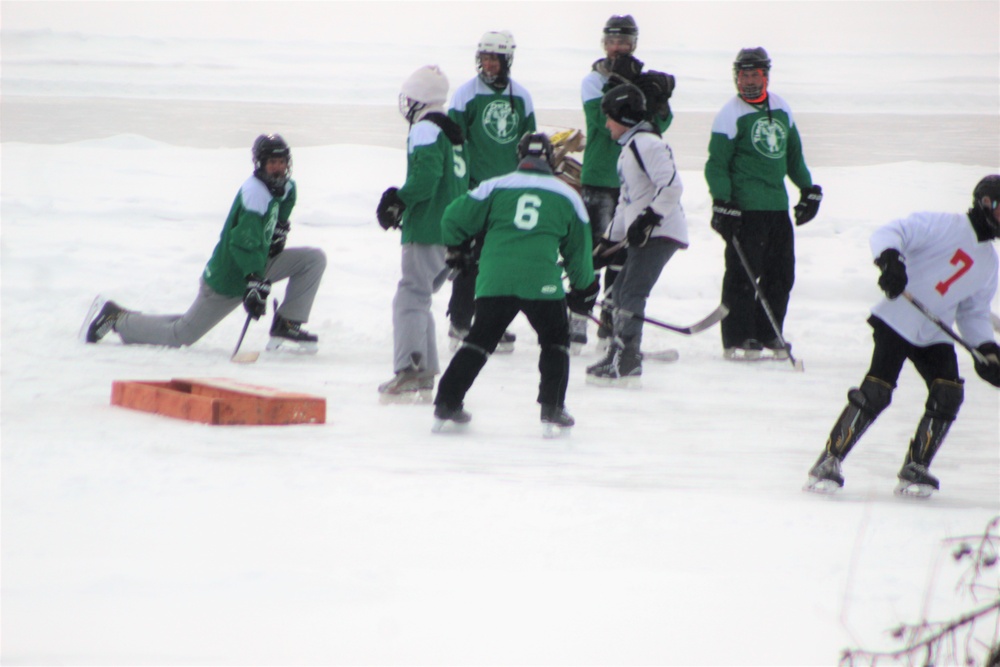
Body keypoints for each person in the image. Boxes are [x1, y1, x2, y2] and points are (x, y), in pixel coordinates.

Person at [805, 175, 1000, 497]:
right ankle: (828, 460)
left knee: (949, 393)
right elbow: (890, 232)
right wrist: (890, 261)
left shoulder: (990, 263)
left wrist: (987, 349)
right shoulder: (942, 224)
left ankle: (916, 467)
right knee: (877, 391)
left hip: (934, 331)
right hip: (897, 318)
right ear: (985, 203)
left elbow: (973, 312)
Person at [83, 134, 326, 352]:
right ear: (261, 164)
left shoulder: (283, 187)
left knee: (312, 260)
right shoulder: (255, 194)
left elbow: (286, 200)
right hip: (230, 277)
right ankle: (116, 318)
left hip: (259, 266)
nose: (278, 168)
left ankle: (287, 323)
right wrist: (253, 280)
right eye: (272, 163)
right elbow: (243, 243)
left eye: (282, 162)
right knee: (181, 334)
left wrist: (279, 230)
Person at [431, 132, 598, 436]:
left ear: (519, 157)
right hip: (542, 284)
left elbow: (452, 218)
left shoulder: (494, 186)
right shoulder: (568, 195)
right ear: (550, 158)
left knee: (479, 341)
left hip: (495, 279)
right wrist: (583, 288)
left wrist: (457, 250)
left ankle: (446, 402)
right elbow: (579, 251)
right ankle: (552, 408)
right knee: (555, 340)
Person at [705, 47, 823, 360]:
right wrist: (723, 202)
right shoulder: (730, 114)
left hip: (776, 208)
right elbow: (716, 164)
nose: (748, 80)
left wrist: (808, 189)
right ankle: (738, 337)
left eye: (754, 73)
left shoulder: (782, 109)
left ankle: (769, 332)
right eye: (743, 74)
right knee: (743, 275)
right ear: (736, 77)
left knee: (781, 274)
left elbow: (793, 157)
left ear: (765, 75)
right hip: (745, 210)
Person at [579, 14, 674, 353]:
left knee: (625, 256)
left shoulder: (642, 80)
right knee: (594, 251)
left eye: (624, 41)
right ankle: (577, 319)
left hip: (634, 180)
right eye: (612, 41)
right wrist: (629, 91)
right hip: (599, 177)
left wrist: (654, 96)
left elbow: (661, 123)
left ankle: (611, 323)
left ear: (634, 44)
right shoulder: (594, 80)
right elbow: (602, 120)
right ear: (604, 44)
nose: (618, 47)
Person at [376, 65, 468, 403]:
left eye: (410, 98)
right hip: (453, 229)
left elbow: (426, 178)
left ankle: (410, 369)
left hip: (429, 227)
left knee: (410, 297)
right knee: (421, 298)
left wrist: (398, 200)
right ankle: (425, 369)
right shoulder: (453, 131)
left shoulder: (426, 130)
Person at [586, 83, 688, 387]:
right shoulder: (629, 149)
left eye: (610, 118)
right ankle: (620, 353)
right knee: (618, 292)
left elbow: (671, 187)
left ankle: (627, 361)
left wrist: (648, 219)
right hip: (645, 233)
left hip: (660, 233)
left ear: (625, 117)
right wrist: (608, 240)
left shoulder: (647, 144)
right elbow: (626, 201)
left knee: (630, 292)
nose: (606, 125)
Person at [445, 30, 537, 355]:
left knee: (498, 261)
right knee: (469, 260)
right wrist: (460, 189)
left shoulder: (522, 96)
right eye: (484, 58)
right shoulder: (464, 95)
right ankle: (460, 321)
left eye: (495, 59)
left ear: (507, 60)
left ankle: (490, 323)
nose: (488, 64)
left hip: (509, 194)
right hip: (475, 192)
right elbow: (453, 144)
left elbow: (531, 147)